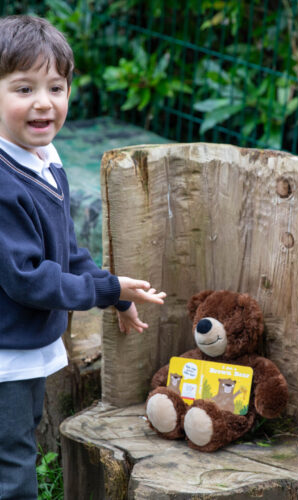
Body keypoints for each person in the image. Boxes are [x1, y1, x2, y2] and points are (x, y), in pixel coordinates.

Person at [0, 15, 166, 499]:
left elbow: (67, 250)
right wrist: (104, 289)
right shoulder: (4, 184)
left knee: (19, 439)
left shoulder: (45, 160)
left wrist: (114, 292)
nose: (43, 102)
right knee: (12, 463)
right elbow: (28, 279)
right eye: (24, 88)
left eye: (56, 87)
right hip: (6, 353)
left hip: (23, 345)